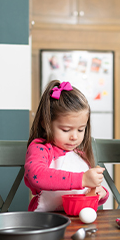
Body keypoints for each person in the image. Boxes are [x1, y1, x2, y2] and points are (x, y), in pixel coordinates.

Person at [25, 80, 109, 212]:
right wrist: (82, 179)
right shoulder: (41, 148)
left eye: (81, 130)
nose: (74, 137)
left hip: (76, 219)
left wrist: (100, 192)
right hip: (44, 220)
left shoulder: (79, 154)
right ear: (45, 123)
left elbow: (84, 191)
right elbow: (37, 176)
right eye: (65, 130)